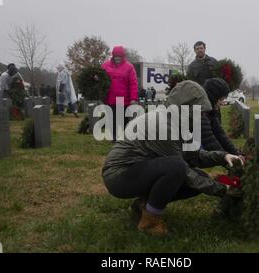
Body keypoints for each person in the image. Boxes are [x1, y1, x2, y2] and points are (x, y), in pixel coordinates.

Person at [102, 80, 244, 236]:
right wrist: (223, 189)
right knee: (177, 168)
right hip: (119, 176)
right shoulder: (162, 125)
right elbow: (184, 170)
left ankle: (143, 205)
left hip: (138, 169)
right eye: (199, 111)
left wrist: (224, 156)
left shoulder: (177, 121)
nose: (201, 116)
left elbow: (194, 155)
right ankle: (150, 223)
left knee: (198, 176)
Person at [101, 46, 138, 140]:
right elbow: (100, 77)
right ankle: (114, 137)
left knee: (121, 119)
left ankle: (121, 137)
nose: (118, 58)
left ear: (123, 56)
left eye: (120, 56)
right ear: (113, 56)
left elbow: (133, 83)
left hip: (123, 98)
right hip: (110, 97)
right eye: (116, 56)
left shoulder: (129, 67)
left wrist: (133, 98)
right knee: (112, 117)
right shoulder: (105, 65)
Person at [201, 78, 243, 158]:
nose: (222, 103)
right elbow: (209, 140)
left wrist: (236, 153)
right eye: (220, 99)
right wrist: (226, 158)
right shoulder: (200, 112)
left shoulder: (210, 111)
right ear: (212, 98)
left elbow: (219, 133)